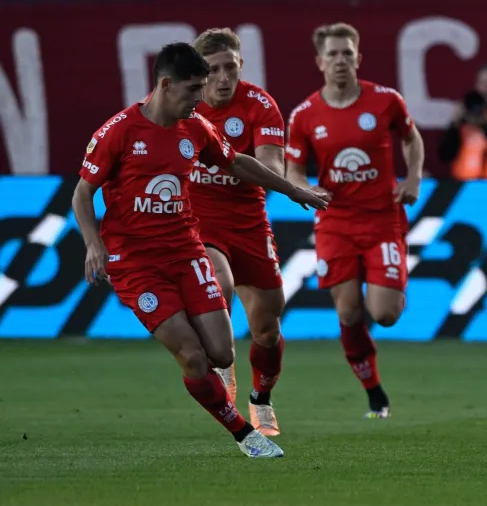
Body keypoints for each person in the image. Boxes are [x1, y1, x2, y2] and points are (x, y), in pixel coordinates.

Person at [71, 42, 328, 458]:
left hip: (186, 252)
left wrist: (293, 190)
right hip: (136, 263)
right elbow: (82, 194)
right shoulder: (118, 131)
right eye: (193, 90)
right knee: (191, 356)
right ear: (166, 85)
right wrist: (93, 244)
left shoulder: (195, 128)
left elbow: (239, 163)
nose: (200, 98)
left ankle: (235, 393)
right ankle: (246, 435)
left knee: (222, 352)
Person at [284, 22, 425, 419]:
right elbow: (292, 170)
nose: (341, 60)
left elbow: (412, 139)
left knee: (385, 314)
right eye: (333, 54)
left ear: (358, 58)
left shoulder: (385, 101)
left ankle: (390, 287)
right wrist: (304, 188)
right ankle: (374, 393)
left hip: (382, 219)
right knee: (347, 313)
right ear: (320, 62)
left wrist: (413, 177)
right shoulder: (305, 115)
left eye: (348, 53)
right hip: (336, 223)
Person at [190, 28, 287, 436]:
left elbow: (272, 169)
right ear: (200, 73)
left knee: (267, 327)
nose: (224, 77)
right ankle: (224, 362)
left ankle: (261, 400)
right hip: (198, 219)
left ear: (241, 65)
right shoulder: (183, 106)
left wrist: (228, 160)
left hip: (248, 222)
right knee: (219, 281)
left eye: (231, 67)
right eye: (214, 70)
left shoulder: (261, 105)